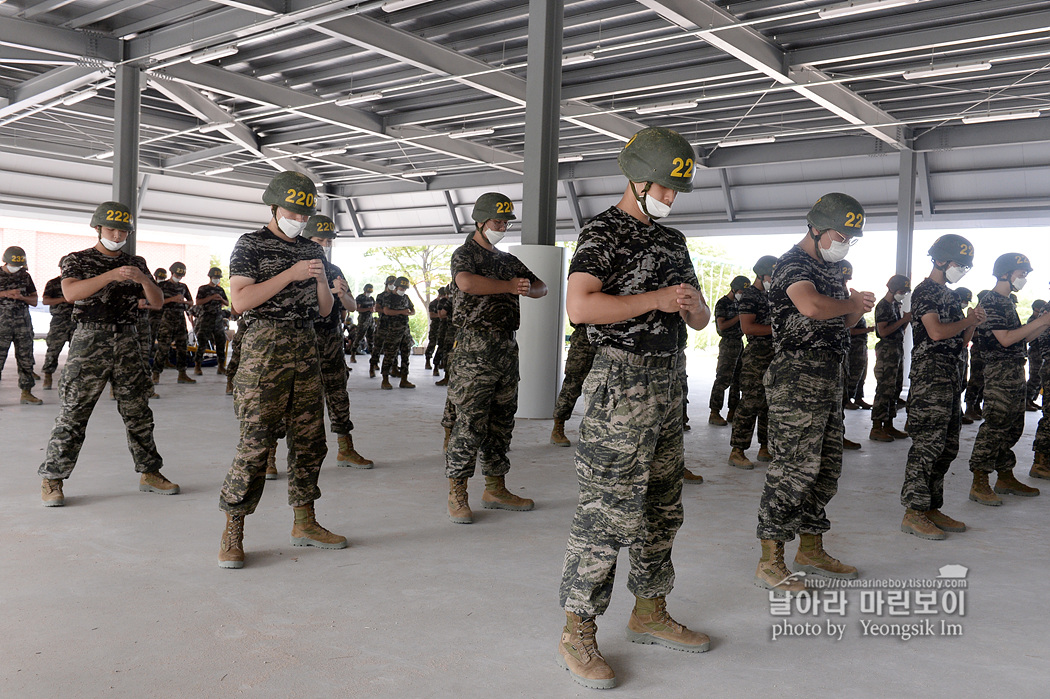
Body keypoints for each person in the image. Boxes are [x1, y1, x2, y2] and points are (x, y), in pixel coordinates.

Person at [558, 128, 711, 690]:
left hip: (669, 382)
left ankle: (650, 610)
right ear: (637, 179)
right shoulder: (604, 231)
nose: (669, 199)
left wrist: (693, 308)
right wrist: (653, 299)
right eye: (665, 188)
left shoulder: (673, 242)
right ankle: (577, 630)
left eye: (676, 191)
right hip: (621, 383)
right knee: (606, 512)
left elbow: (697, 320)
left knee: (662, 506)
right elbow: (579, 306)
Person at [218, 171, 346, 569]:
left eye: (305, 213)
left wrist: (323, 279)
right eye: (293, 211)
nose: (299, 219)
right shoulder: (251, 245)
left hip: (306, 346)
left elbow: (325, 309)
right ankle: (233, 529)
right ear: (273, 206)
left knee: (310, 439)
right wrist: (289, 274)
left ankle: (304, 522)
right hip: (264, 347)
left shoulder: (313, 248)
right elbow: (240, 301)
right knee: (256, 442)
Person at [754, 192, 874, 595]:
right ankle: (770, 560)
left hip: (828, 374)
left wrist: (856, 306)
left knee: (825, 470)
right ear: (817, 227)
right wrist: (848, 302)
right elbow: (810, 308)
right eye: (842, 234)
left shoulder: (832, 269)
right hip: (796, 377)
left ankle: (810, 549)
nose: (845, 243)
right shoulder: (793, 263)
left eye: (851, 238)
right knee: (793, 470)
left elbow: (842, 321)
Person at [37, 202, 178, 506]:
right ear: (98, 228)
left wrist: (143, 279)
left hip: (128, 340)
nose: (117, 234)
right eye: (112, 228)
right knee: (74, 411)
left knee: (138, 411)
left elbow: (157, 301)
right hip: (90, 339)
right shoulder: (78, 260)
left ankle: (150, 472)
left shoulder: (136, 262)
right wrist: (112, 275)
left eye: (123, 229)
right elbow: (72, 293)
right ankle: (53, 478)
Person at [445, 191, 546, 526]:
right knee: (470, 421)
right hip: (475, 348)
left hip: (505, 347)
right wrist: (508, 286)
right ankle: (457, 492)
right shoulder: (466, 254)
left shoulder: (506, 258)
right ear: (480, 221)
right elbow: (466, 283)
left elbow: (540, 287)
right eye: (497, 221)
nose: (503, 226)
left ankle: (495, 487)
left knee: (502, 421)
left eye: (506, 221)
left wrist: (523, 287)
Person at [898, 235, 985, 539]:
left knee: (947, 445)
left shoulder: (949, 295)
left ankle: (931, 507)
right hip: (930, 379)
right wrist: (967, 320)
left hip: (951, 377)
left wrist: (972, 323)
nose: (962, 269)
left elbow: (959, 341)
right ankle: (913, 511)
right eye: (959, 264)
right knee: (927, 445)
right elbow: (935, 332)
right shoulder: (925, 292)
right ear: (940, 260)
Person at [967, 253, 1050, 506]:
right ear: (1005, 273)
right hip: (999, 371)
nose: (1024, 279)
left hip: (1014, 368)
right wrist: (1044, 320)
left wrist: (1041, 324)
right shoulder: (991, 301)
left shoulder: (1007, 302)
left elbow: (1021, 338)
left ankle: (1005, 476)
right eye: (1021, 273)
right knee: (995, 425)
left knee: (1013, 425)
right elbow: (1005, 339)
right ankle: (979, 481)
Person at [304, 214, 373, 468]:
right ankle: (269, 457)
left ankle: (345, 448)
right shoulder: (296, 269)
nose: (325, 245)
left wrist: (342, 294)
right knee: (290, 397)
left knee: (337, 393)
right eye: (320, 239)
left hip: (331, 339)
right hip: (302, 340)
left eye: (329, 241)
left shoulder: (334, 271)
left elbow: (352, 306)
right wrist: (325, 294)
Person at [728, 255, 777, 469]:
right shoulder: (749, 296)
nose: (773, 280)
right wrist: (778, 331)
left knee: (769, 404)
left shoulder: (772, 295)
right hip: (757, 354)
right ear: (761, 274)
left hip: (774, 354)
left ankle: (765, 446)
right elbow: (747, 328)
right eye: (771, 276)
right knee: (750, 403)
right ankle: (737, 451)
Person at [870, 275, 912, 441]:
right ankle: (876, 427)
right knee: (884, 389)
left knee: (895, 389)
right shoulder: (883, 306)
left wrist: (906, 320)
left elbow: (900, 329)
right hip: (887, 350)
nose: (903, 294)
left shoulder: (896, 305)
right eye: (902, 291)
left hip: (896, 349)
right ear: (893, 289)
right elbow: (883, 332)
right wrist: (904, 319)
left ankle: (888, 425)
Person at [0, 246, 42, 404]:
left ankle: (26, 393)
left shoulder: (25, 277)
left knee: (26, 359)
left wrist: (22, 297)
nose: (16, 268)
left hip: (23, 325)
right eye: (13, 265)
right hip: (1, 326)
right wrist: (5, 293)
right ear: (6, 261)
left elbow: (35, 300)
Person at [708, 276, 748, 426]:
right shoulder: (723, 303)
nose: (741, 294)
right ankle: (714, 412)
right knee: (723, 378)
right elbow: (722, 326)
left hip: (739, 343)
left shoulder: (741, 303)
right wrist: (739, 317)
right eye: (740, 291)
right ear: (733, 289)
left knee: (738, 379)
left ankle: (733, 410)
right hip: (727, 344)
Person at [550, 322, 596, 447]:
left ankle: (595, 430)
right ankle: (558, 427)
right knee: (572, 385)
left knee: (604, 387)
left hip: (609, 340)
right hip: (584, 340)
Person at [152, 262, 196, 385]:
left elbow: (191, 301)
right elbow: (156, 302)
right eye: (177, 274)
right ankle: (156, 374)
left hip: (180, 319)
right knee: (163, 348)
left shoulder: (183, 287)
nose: (179, 277)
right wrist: (172, 299)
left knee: (182, 347)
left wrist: (184, 302)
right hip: (166, 318)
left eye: (181, 275)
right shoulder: (163, 285)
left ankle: (182, 374)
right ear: (172, 273)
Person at [41, 257, 75, 391]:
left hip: (76, 321)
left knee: (77, 352)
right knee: (53, 350)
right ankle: (48, 375)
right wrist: (64, 299)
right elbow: (45, 301)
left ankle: (72, 378)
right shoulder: (53, 283)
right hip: (59, 321)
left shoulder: (79, 282)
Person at [380, 276, 416, 390]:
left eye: (405, 288)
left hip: (405, 330)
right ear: (396, 286)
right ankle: (385, 379)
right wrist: (402, 312)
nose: (403, 290)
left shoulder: (406, 298)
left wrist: (409, 313)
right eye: (401, 288)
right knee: (389, 355)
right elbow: (386, 311)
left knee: (406, 355)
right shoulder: (388, 297)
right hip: (393, 331)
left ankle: (404, 379)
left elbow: (412, 310)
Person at [194, 267, 230, 375]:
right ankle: (197, 366)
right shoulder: (203, 289)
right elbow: (198, 302)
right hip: (206, 318)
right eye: (215, 277)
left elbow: (227, 303)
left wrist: (221, 299)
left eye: (218, 278)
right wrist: (211, 297)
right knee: (202, 342)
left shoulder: (220, 290)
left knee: (220, 342)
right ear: (210, 277)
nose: (217, 279)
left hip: (218, 319)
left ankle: (221, 366)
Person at [964, 289, 991, 420]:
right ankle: (969, 406)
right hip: (978, 351)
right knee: (976, 379)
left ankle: (977, 405)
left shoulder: (988, 313)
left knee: (984, 380)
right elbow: (970, 332)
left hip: (987, 351)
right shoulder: (976, 314)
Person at [369, 275, 397, 379]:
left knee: (393, 347)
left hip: (394, 326)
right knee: (377, 347)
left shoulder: (396, 296)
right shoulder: (381, 296)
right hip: (383, 325)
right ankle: (372, 366)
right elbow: (377, 309)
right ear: (387, 284)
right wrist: (388, 312)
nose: (393, 286)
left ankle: (394, 368)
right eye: (391, 284)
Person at [1026, 300, 1046, 410]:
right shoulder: (1033, 321)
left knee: (1039, 378)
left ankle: (1031, 399)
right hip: (1035, 352)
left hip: (1040, 352)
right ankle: (1026, 400)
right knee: (1034, 377)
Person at [351, 283, 375, 363]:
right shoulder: (360, 297)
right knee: (359, 337)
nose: (369, 292)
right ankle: (353, 355)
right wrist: (368, 309)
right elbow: (357, 308)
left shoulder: (371, 298)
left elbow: (374, 308)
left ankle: (373, 359)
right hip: (362, 319)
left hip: (370, 320)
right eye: (368, 290)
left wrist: (372, 309)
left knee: (371, 339)